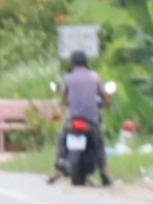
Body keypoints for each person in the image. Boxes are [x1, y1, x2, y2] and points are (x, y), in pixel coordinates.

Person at [47, 48, 111, 185]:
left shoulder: (68, 78)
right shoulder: (95, 77)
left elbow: (63, 100)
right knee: (99, 143)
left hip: (73, 119)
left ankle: (55, 172)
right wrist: (105, 103)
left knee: (61, 142)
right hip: (91, 120)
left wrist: (68, 103)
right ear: (86, 62)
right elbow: (105, 97)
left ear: (72, 63)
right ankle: (104, 173)